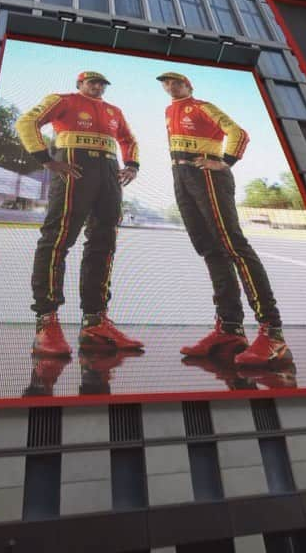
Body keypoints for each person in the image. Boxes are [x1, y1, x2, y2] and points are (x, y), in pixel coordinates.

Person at [157, 71, 290, 367]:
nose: (169, 87)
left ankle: (274, 334)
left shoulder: (203, 105)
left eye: (176, 82)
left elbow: (238, 133)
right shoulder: (169, 110)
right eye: (165, 83)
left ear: (189, 84)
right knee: (209, 249)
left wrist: (223, 163)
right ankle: (230, 329)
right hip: (180, 175)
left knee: (233, 245)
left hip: (206, 174)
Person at [16, 70, 142, 358]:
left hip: (109, 174)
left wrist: (133, 164)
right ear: (80, 84)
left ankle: (95, 322)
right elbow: (26, 122)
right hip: (74, 168)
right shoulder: (63, 100)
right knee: (57, 240)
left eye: (101, 83)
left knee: (103, 243)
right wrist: (45, 160)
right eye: (92, 82)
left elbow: (129, 140)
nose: (97, 87)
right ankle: (46, 322)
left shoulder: (114, 111)